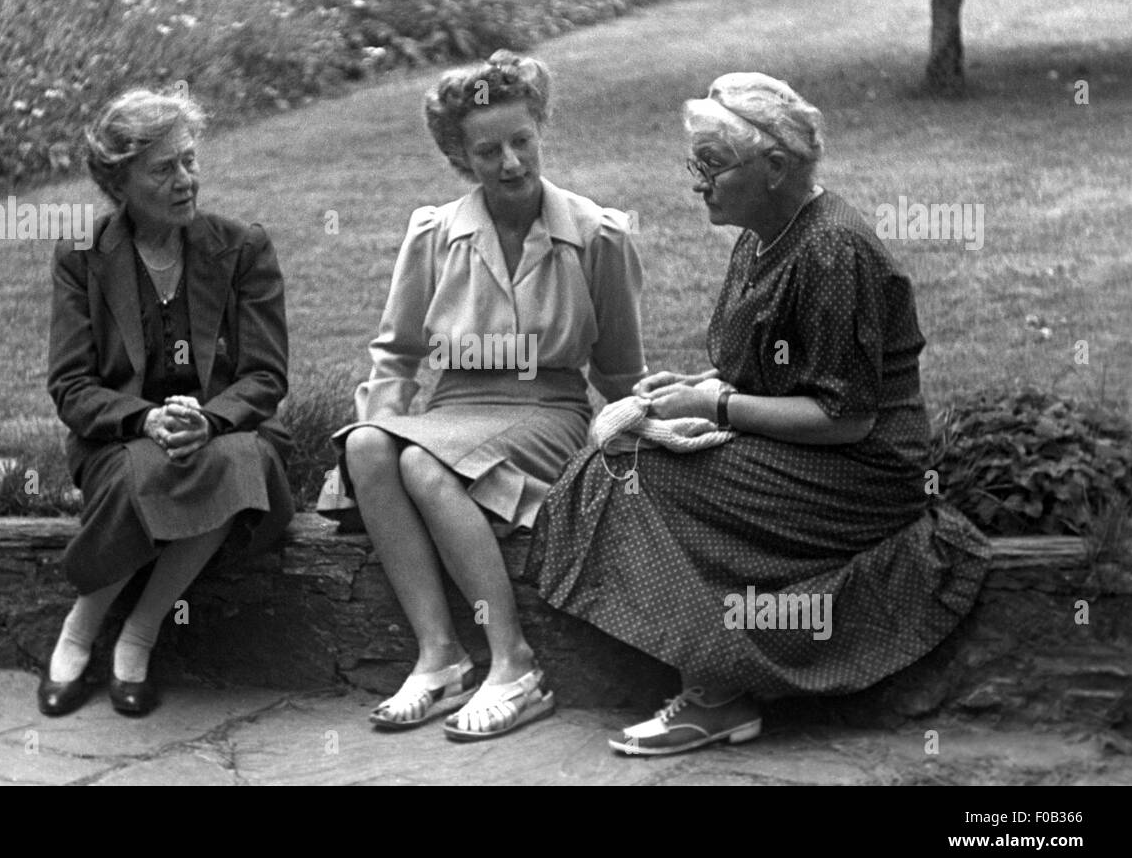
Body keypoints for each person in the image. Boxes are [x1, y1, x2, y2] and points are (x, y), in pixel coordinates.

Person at [528, 72, 992, 756]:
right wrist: (693, 383)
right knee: (623, 455)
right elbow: (770, 368)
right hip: (814, 451)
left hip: (862, 474)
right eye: (699, 164)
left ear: (775, 167)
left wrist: (714, 403)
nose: (698, 182)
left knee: (637, 471)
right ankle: (721, 683)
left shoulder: (832, 250)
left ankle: (719, 697)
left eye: (713, 165)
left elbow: (847, 418)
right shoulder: (763, 234)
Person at [334, 50, 646, 739]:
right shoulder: (434, 234)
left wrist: (635, 456)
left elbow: (620, 373)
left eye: (521, 141)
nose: (509, 163)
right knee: (367, 445)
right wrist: (376, 455)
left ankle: (515, 666)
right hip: (452, 412)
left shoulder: (597, 236)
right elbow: (397, 354)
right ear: (459, 158)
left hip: (547, 412)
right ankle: (440, 656)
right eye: (487, 150)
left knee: (420, 461)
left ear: (540, 129)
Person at [40, 88, 294, 717]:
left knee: (237, 461)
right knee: (146, 468)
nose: (186, 180)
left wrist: (207, 421)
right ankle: (80, 628)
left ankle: (139, 633)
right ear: (119, 181)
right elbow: (72, 387)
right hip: (119, 442)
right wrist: (147, 419)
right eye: (163, 169)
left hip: (227, 433)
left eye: (189, 161)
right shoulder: (82, 258)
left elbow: (265, 376)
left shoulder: (242, 248)